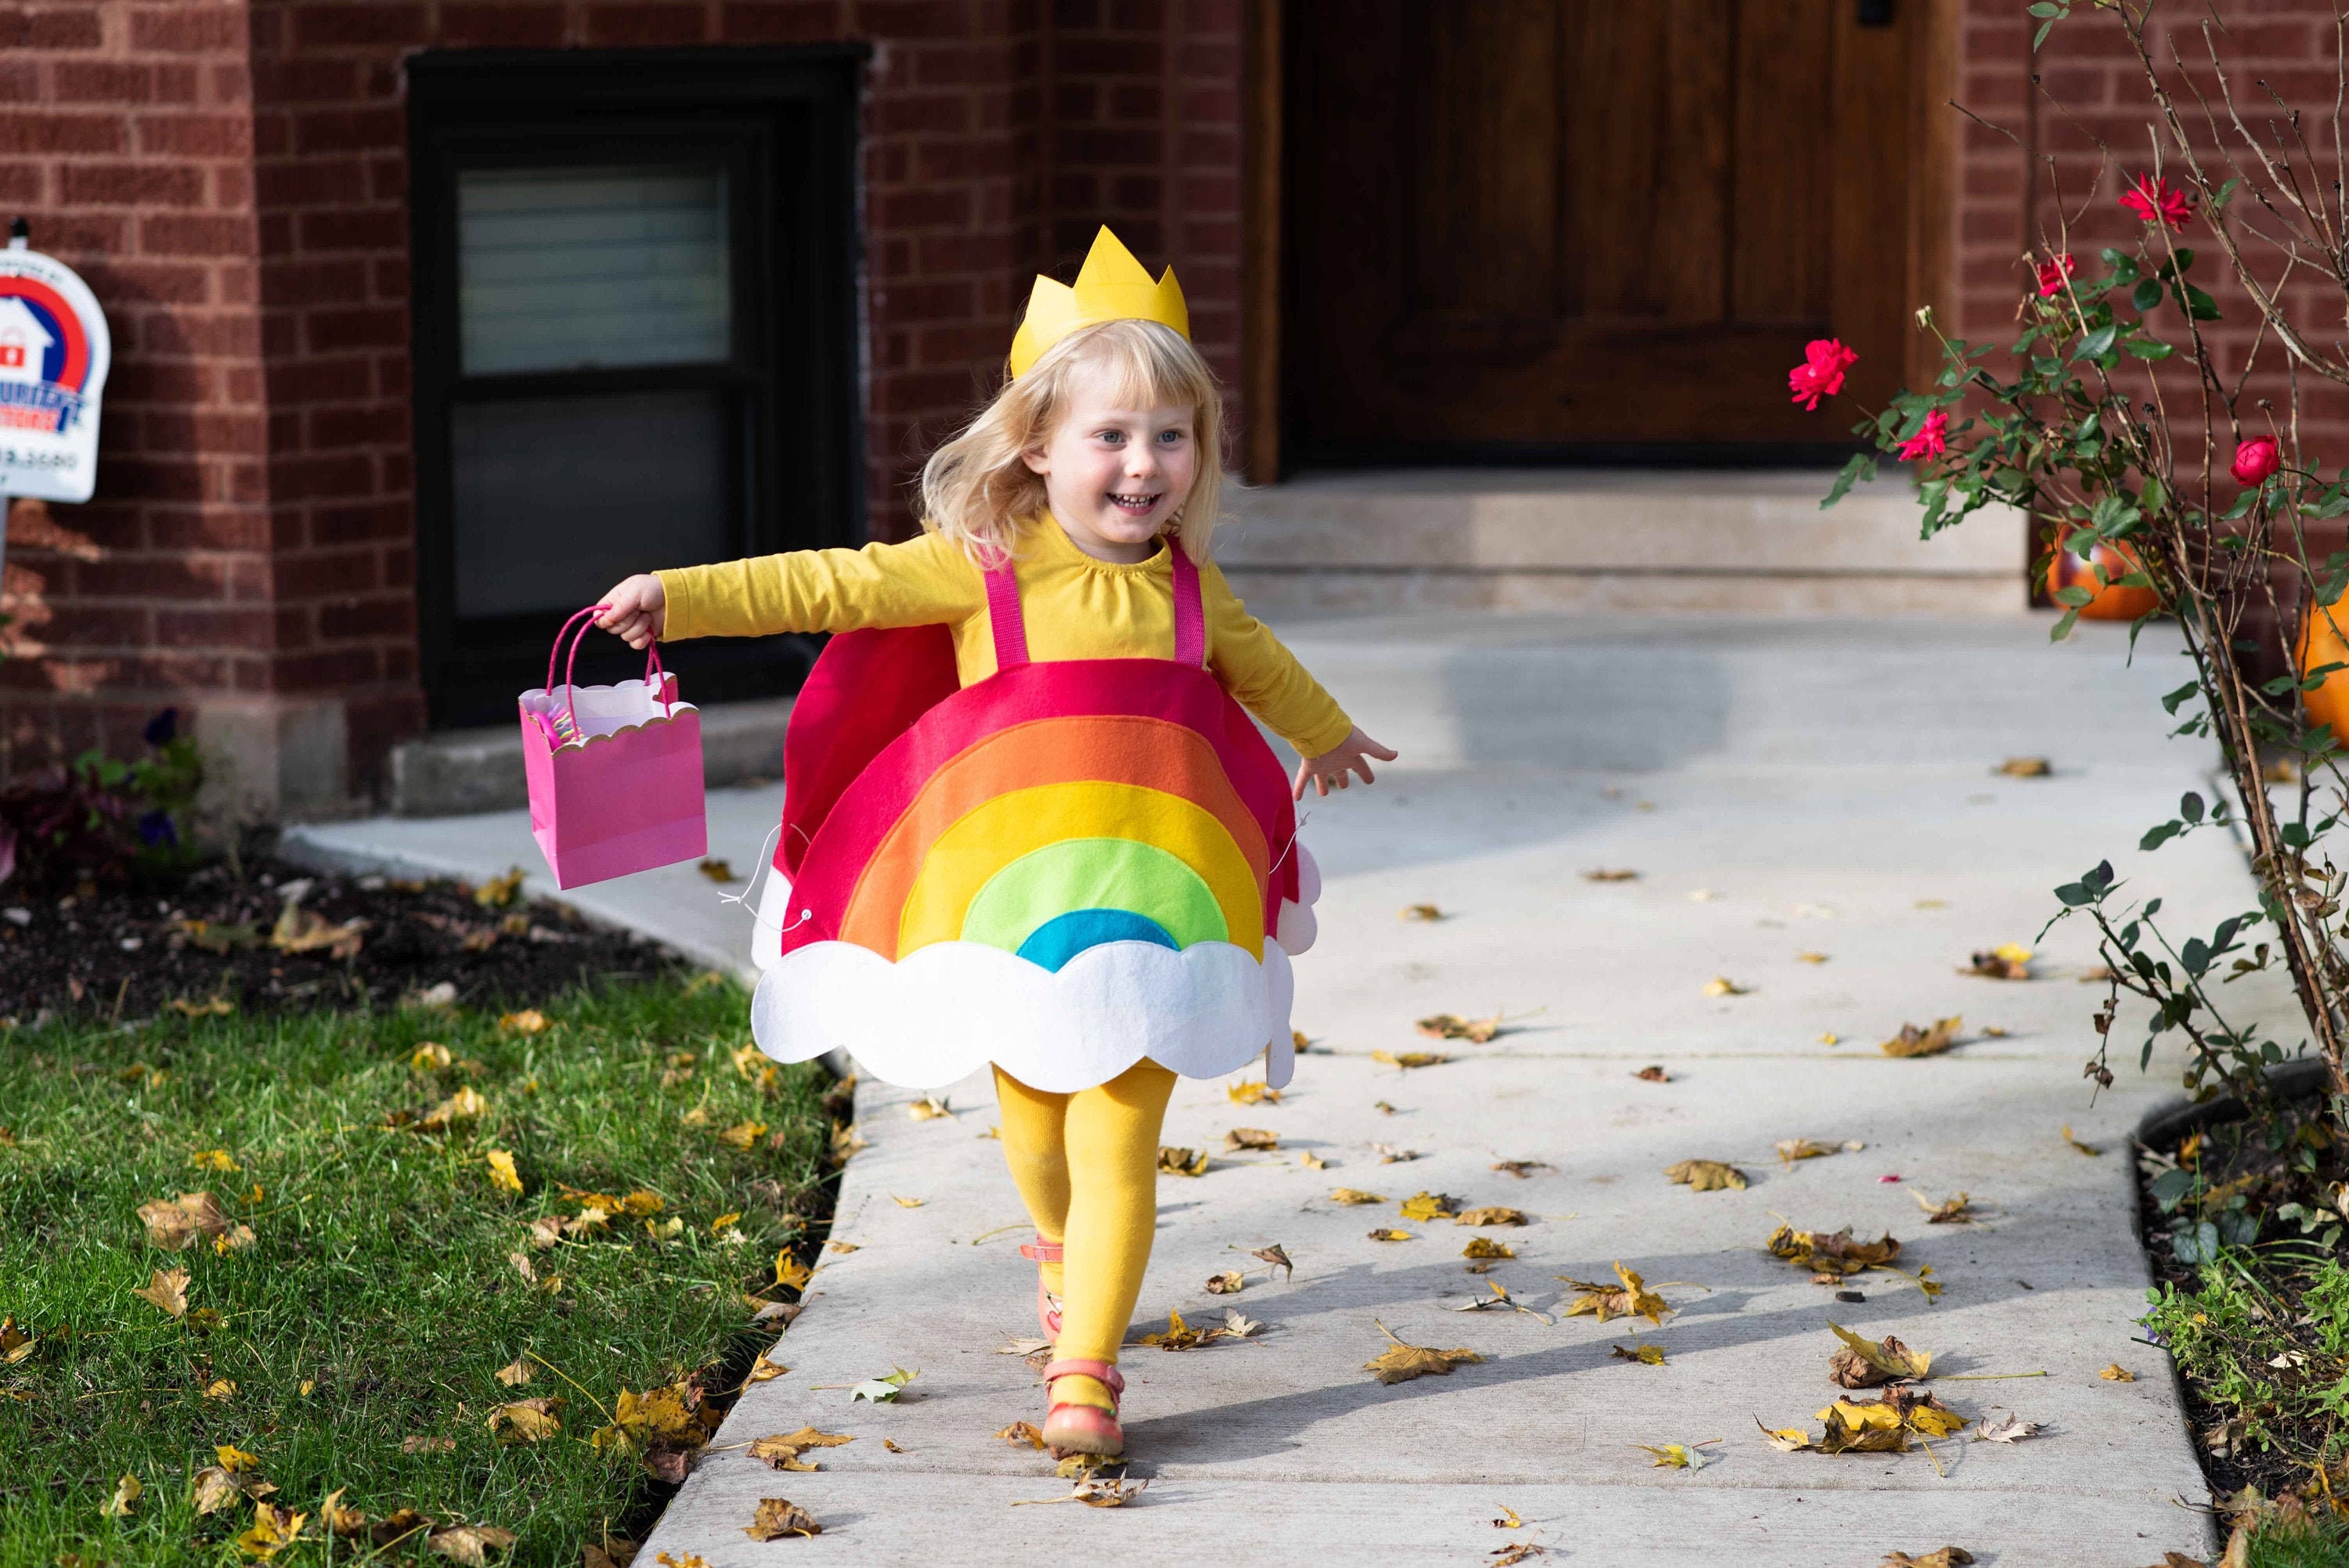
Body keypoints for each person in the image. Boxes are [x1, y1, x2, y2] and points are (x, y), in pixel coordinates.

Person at [594, 228, 1393, 1456]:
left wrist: (1328, 735)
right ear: (1037, 445)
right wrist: (684, 597)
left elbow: (1263, 669)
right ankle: (1061, 1254)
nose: (1144, 465)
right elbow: (832, 585)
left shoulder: (1192, 591)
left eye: (1171, 436)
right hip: (1012, 917)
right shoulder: (986, 568)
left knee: (1122, 1127)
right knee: (1035, 1123)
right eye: (1112, 437)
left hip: (1156, 914)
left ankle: (1088, 1372)